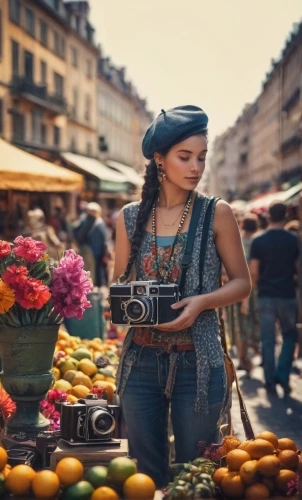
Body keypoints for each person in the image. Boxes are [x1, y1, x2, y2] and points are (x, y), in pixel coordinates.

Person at [113, 106, 251, 488]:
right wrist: (136, 306)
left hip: (200, 364)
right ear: (159, 159)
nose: (196, 167)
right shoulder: (128, 217)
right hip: (139, 363)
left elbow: (242, 283)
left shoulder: (216, 212)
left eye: (201, 158)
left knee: (197, 476)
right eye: (185, 157)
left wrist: (201, 302)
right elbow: (119, 287)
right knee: (145, 477)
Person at [249, 201, 299, 396]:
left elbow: (253, 271)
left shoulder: (259, 240)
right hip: (287, 293)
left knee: (267, 339)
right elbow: (297, 267)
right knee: (289, 335)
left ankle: (269, 380)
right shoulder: (293, 239)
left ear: (269, 215)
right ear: (286, 215)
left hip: (266, 294)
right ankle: (283, 374)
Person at [233, 214, 260, 372]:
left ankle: (243, 358)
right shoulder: (258, 240)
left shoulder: (239, 240)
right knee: (252, 320)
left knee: (239, 324)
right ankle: (252, 352)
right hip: (254, 287)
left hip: (238, 286)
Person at [73, 202, 109, 288]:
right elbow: (104, 238)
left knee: (86, 271)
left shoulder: (83, 220)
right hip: (96, 251)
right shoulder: (99, 222)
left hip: (85, 250)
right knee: (95, 272)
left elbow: (74, 231)